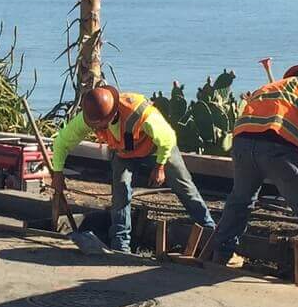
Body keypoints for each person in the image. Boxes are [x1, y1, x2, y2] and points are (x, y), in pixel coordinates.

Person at [207, 63, 298, 284]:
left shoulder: (271, 89)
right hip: (276, 148)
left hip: (242, 144)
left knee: (240, 202)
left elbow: (275, 151)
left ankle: (220, 256)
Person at [49, 84, 216, 256]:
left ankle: (210, 231)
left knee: (183, 185)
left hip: (155, 148)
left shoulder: (139, 113)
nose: (97, 129)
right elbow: (62, 143)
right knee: (120, 191)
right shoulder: (89, 117)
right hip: (124, 152)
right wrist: (58, 173)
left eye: (101, 125)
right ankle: (121, 245)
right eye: (94, 125)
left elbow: (167, 137)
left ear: (112, 114)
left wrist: (159, 166)